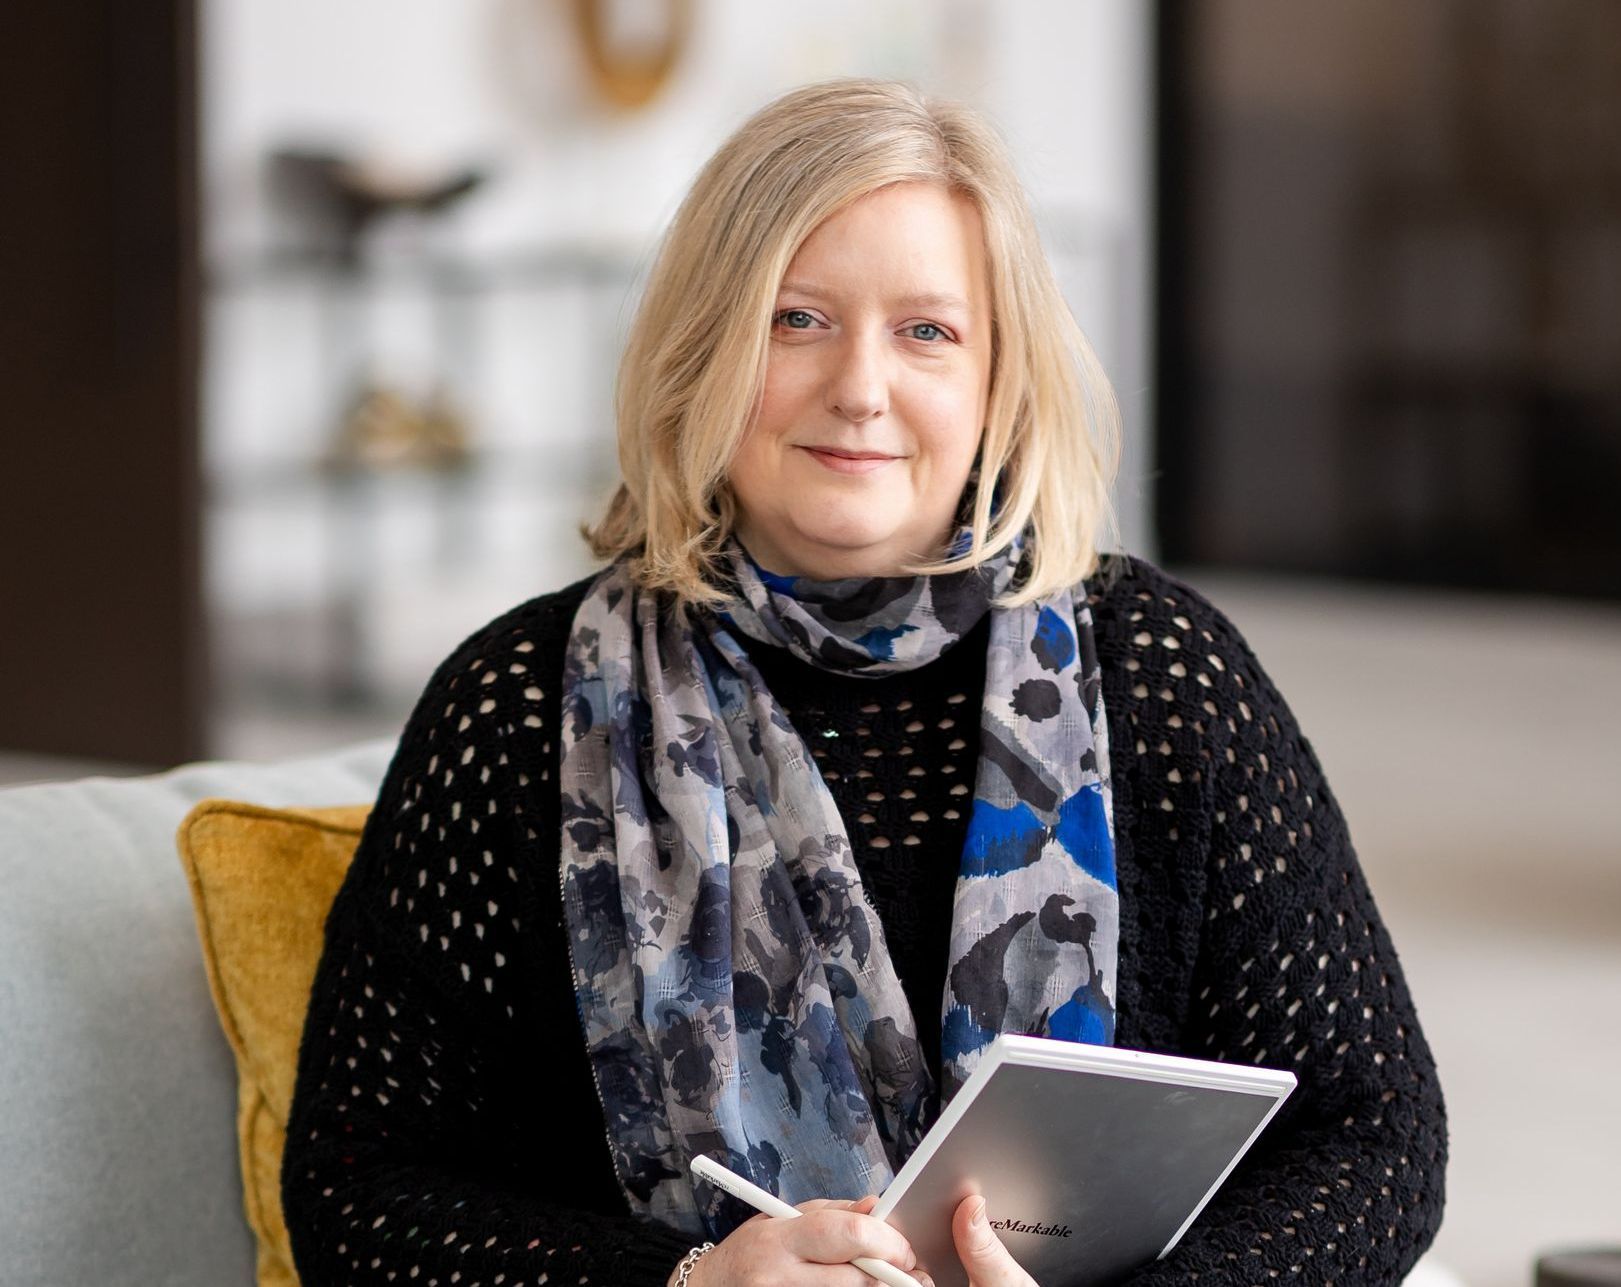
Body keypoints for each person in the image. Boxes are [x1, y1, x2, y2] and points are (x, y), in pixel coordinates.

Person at [282, 77, 1447, 1287]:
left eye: (927, 331)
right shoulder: (515, 702)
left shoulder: (1164, 669)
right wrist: (689, 1284)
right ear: (704, 347)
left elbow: (1374, 1135)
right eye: (796, 320)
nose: (860, 387)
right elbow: (357, 1188)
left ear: (999, 378)